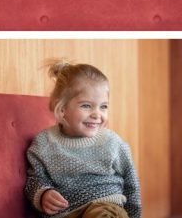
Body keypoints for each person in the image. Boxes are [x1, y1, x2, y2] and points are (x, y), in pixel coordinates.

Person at [25, 60, 141, 218]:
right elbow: (35, 179)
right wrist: (44, 193)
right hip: (65, 212)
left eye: (103, 106)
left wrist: (135, 214)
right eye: (86, 106)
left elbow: (131, 184)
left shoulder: (112, 142)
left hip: (105, 206)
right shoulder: (44, 142)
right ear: (62, 108)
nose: (97, 114)